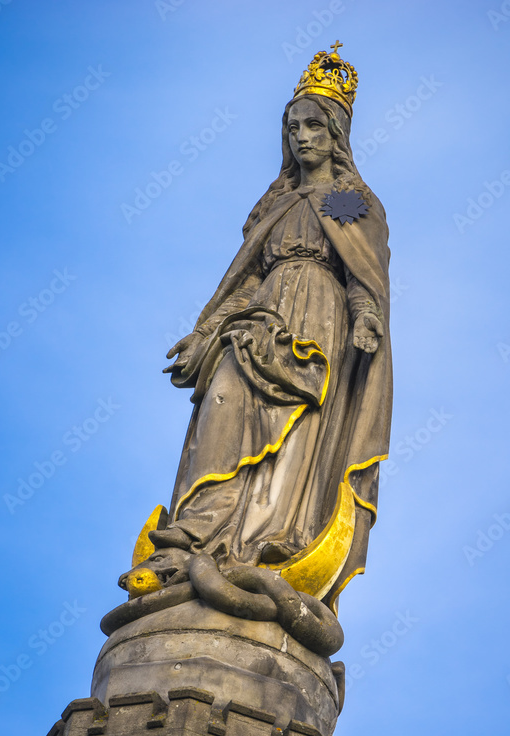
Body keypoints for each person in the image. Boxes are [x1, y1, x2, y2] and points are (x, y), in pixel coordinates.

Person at [150, 48, 392, 613]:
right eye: (293, 127)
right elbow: (244, 275)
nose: (302, 137)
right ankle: (199, 530)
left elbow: (363, 271)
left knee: (299, 429)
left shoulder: (350, 200)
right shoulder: (276, 203)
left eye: (313, 126)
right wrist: (206, 331)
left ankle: (275, 532)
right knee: (225, 397)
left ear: (335, 135)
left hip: (319, 320)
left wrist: (366, 317)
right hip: (257, 316)